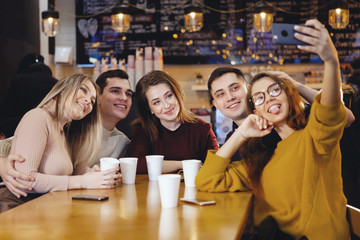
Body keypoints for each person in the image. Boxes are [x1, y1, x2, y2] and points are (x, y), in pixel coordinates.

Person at [196, 19, 350, 239]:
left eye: (274, 90)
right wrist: (241, 134)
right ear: (255, 111)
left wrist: (331, 61)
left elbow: (330, 110)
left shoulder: (314, 137)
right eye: (259, 98)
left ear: (288, 94)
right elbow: (206, 181)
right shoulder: (259, 159)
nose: (268, 99)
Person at [0, 69, 132, 198]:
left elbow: (69, 167)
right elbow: (24, 180)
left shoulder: (63, 130)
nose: (87, 101)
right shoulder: (38, 117)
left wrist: (93, 174)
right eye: (83, 90)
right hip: (20, 209)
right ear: (63, 89)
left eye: (92, 101)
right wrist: (83, 182)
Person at [208, 67, 355, 162]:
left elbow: (347, 118)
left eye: (234, 88)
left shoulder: (285, 116)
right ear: (215, 104)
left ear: (249, 90)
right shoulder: (232, 140)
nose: (230, 97)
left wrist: (296, 86)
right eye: (220, 94)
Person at [127, 70, 218, 174]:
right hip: (154, 189)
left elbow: (217, 164)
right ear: (150, 109)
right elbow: (134, 164)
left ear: (177, 94)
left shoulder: (202, 128)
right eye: (157, 102)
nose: (166, 105)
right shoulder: (142, 129)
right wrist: (182, 164)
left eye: (169, 96)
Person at [0, 53, 58, 138]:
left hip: (19, 129)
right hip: (49, 131)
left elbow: (6, 109)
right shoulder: (56, 84)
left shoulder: (18, 81)